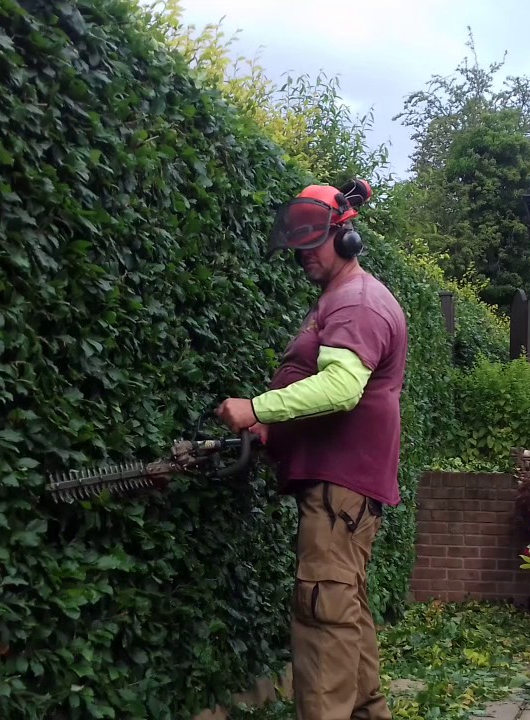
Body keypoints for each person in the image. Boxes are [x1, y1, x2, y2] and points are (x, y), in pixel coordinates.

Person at [216, 179, 408, 720]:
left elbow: (341, 388)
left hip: (338, 490)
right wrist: (275, 428)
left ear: (347, 239)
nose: (303, 256)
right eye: (298, 246)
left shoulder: (356, 303)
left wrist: (256, 408)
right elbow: (321, 388)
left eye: (313, 244)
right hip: (339, 487)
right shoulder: (343, 298)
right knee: (344, 611)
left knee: (322, 620)